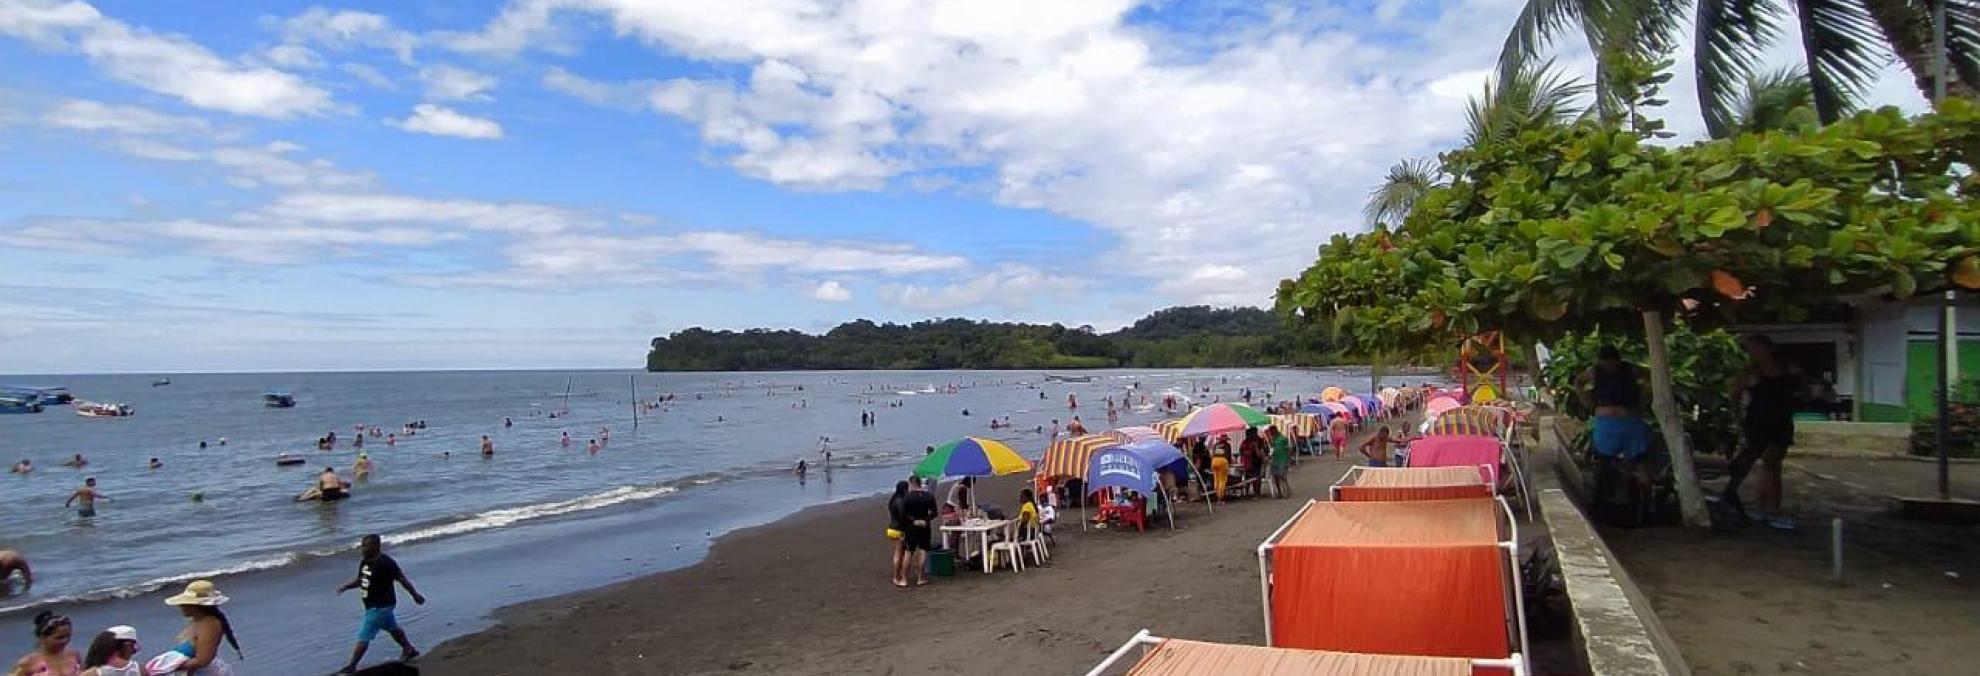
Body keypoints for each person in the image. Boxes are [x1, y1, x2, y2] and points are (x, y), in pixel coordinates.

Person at [1725, 335, 1802, 530]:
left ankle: (1767, 508)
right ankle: (1770, 509)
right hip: (1758, 423)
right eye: (1751, 349)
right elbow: (1733, 396)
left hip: (1781, 421)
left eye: (1757, 348)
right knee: (1765, 463)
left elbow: (1801, 389)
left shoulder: (1787, 369)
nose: (1754, 353)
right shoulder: (1749, 374)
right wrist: (1737, 422)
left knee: (1772, 465)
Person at [336, 534, 425, 673]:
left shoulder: (386, 562)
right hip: (372, 605)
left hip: (381, 606)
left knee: (364, 635)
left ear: (377, 546)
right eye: (363, 545)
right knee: (392, 628)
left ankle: (352, 665)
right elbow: (361, 580)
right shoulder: (365, 561)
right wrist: (347, 586)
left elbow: (402, 579)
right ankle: (409, 650)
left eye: (367, 545)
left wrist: (415, 595)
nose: (363, 548)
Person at [1575, 345, 1652, 465]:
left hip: (1630, 420)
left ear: (1618, 360)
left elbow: (1650, 377)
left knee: (1639, 461)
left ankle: (1642, 480)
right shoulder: (1595, 372)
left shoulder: (1630, 369)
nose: (1610, 365)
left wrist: (1643, 401)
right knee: (1604, 462)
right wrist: (1588, 403)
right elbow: (1578, 382)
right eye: (1606, 362)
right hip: (1605, 422)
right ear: (1601, 361)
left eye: (1613, 362)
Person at [162, 580, 242, 675]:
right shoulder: (197, 621)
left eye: (185, 603)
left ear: (197, 606)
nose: (181, 606)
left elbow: (203, 660)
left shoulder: (210, 625)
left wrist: (169, 666)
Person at [12, 611, 78, 676]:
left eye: (68, 636)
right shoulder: (28, 663)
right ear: (42, 637)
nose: (65, 640)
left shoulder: (73, 655)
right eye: (59, 638)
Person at [901, 476, 938, 587]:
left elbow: (903, 514)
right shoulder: (929, 496)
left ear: (912, 484)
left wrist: (913, 521)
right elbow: (934, 512)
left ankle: (904, 579)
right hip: (924, 526)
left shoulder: (907, 497)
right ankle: (920, 577)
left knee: (908, 552)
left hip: (911, 527)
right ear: (920, 483)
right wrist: (925, 520)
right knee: (923, 550)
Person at [886, 480, 910, 587]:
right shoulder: (900, 501)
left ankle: (898, 574)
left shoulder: (893, 500)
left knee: (899, 552)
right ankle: (896, 576)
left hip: (891, 528)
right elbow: (902, 517)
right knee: (899, 553)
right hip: (899, 530)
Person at [1266, 425, 1293, 498]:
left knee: (1282, 476)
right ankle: (1279, 492)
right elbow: (1272, 449)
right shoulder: (1273, 439)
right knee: (1275, 477)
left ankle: (1286, 490)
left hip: (1282, 460)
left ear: (1275, 430)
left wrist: (1288, 460)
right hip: (1275, 460)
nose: (1271, 433)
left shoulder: (1283, 438)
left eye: (1271, 432)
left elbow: (1288, 449)